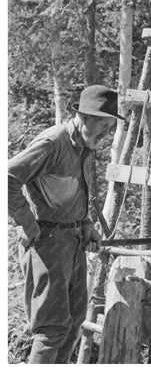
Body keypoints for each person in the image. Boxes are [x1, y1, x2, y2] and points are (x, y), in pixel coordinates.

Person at [8, 84, 124, 364]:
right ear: (85, 117)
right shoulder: (53, 142)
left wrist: (85, 224)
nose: (106, 134)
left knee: (73, 324)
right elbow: (7, 178)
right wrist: (29, 224)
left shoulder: (83, 146)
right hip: (48, 245)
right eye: (103, 126)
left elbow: (72, 193)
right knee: (51, 330)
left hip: (73, 244)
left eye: (111, 128)